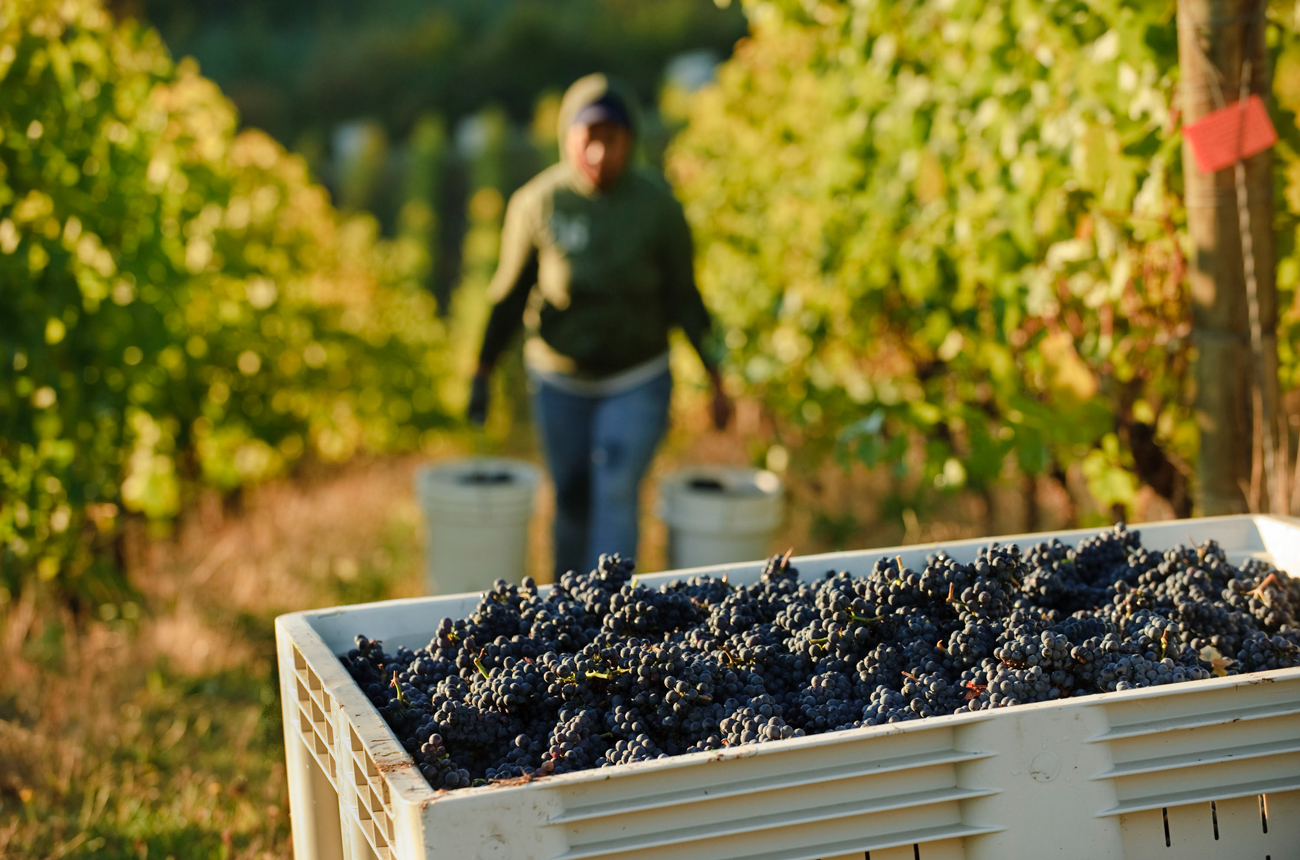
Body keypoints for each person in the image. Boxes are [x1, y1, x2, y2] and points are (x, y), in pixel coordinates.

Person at [467, 73, 730, 579]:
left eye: (612, 139)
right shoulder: (540, 204)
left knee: (614, 484)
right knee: (571, 494)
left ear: (630, 142)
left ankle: (611, 612)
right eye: (588, 139)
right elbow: (508, 296)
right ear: (568, 139)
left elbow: (685, 297)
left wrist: (716, 376)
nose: (599, 153)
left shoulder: (657, 208)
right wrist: (481, 370)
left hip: (637, 375)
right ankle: (567, 611)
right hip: (559, 379)